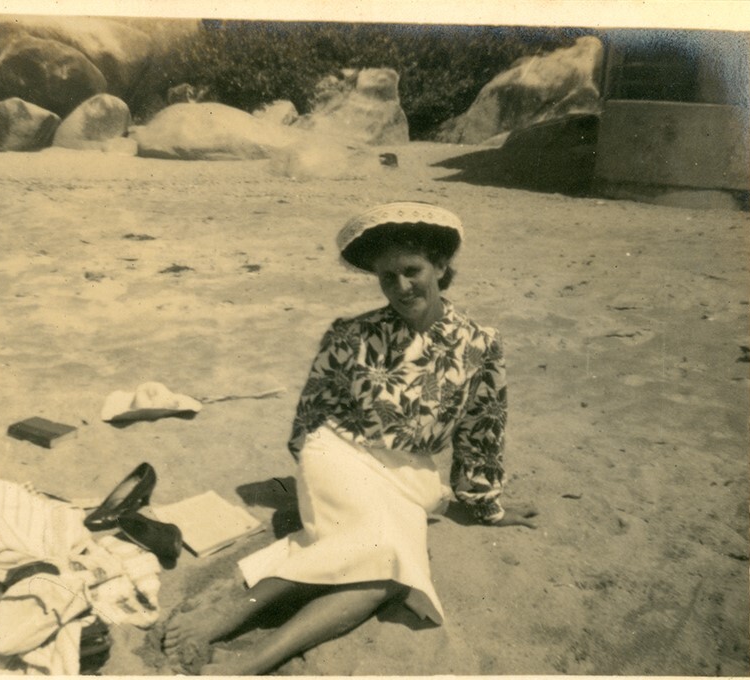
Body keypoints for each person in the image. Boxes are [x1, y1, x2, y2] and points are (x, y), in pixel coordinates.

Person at [163, 202, 536, 675]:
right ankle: (245, 637)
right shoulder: (352, 334)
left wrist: (486, 503)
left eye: (412, 270)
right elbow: (311, 416)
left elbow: (482, 425)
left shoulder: (481, 343)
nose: (401, 287)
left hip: (412, 476)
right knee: (391, 555)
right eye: (387, 277)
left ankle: (251, 638)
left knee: (386, 569)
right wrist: (325, 490)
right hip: (340, 452)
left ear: (441, 266)